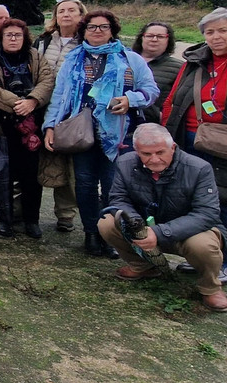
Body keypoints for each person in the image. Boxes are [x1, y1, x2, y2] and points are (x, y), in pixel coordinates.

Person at [43, 10, 158, 257]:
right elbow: (59, 96)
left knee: (112, 186)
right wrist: (50, 126)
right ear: (84, 30)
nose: (97, 31)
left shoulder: (130, 59)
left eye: (103, 27)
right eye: (92, 27)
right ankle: (91, 233)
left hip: (118, 134)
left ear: (112, 30)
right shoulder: (73, 59)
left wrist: (130, 99)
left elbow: (151, 90)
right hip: (81, 133)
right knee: (84, 185)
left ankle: (112, 235)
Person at [97, 123, 227, 312]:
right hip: (145, 226)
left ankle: (210, 287)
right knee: (107, 223)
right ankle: (143, 265)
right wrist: (136, 224)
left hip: (189, 232)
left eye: (160, 152)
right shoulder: (125, 163)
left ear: (172, 147)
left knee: (203, 245)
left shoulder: (199, 168)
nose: (154, 159)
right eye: (146, 154)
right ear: (136, 151)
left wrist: (159, 232)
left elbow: (206, 214)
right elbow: (118, 199)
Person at [0, 18, 56, 238]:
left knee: (31, 176)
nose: (13, 38)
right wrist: (17, 103)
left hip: (31, 126)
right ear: (1, 37)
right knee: (4, 175)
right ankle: (4, 218)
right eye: (8, 35)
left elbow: (47, 81)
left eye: (17, 35)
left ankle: (31, 220)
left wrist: (32, 101)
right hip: (2, 124)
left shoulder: (35, 57)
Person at [162, 7, 227, 232]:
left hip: (221, 143)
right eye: (210, 32)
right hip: (186, 137)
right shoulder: (195, 61)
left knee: (221, 198)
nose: (216, 37)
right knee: (189, 195)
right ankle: (198, 251)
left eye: (223, 30)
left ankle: (223, 259)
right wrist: (165, 135)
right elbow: (172, 99)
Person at [34, 0, 88, 233]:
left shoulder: (87, 42)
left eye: (71, 11)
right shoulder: (44, 41)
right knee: (36, 157)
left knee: (68, 162)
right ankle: (23, 209)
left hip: (72, 111)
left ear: (81, 15)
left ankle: (66, 213)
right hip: (41, 105)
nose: (66, 15)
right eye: (61, 11)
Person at [133, 21, 181, 124]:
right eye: (150, 36)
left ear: (168, 40)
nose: (154, 39)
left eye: (160, 36)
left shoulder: (179, 68)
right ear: (142, 38)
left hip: (152, 127)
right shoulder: (123, 60)